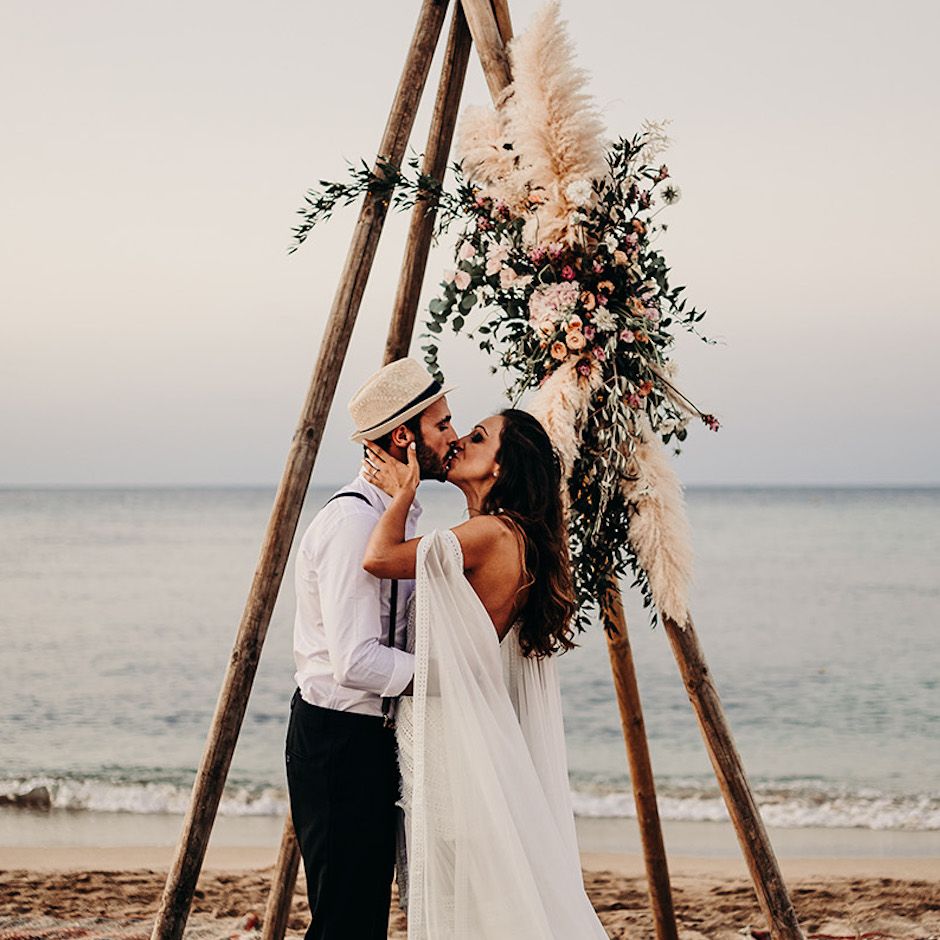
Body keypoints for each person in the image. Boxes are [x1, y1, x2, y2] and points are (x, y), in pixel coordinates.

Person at [362, 408, 609, 938]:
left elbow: (379, 557)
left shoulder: (489, 534)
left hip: (454, 736)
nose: (461, 443)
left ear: (501, 467)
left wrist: (404, 490)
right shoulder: (511, 535)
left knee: (465, 897)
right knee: (472, 892)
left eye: (478, 438)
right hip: (458, 726)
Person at [286, 356, 458, 940]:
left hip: (374, 739)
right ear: (405, 437)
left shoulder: (399, 519)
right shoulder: (353, 526)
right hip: (339, 742)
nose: (452, 438)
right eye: (443, 425)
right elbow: (356, 660)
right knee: (345, 923)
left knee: (362, 921)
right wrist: (453, 676)